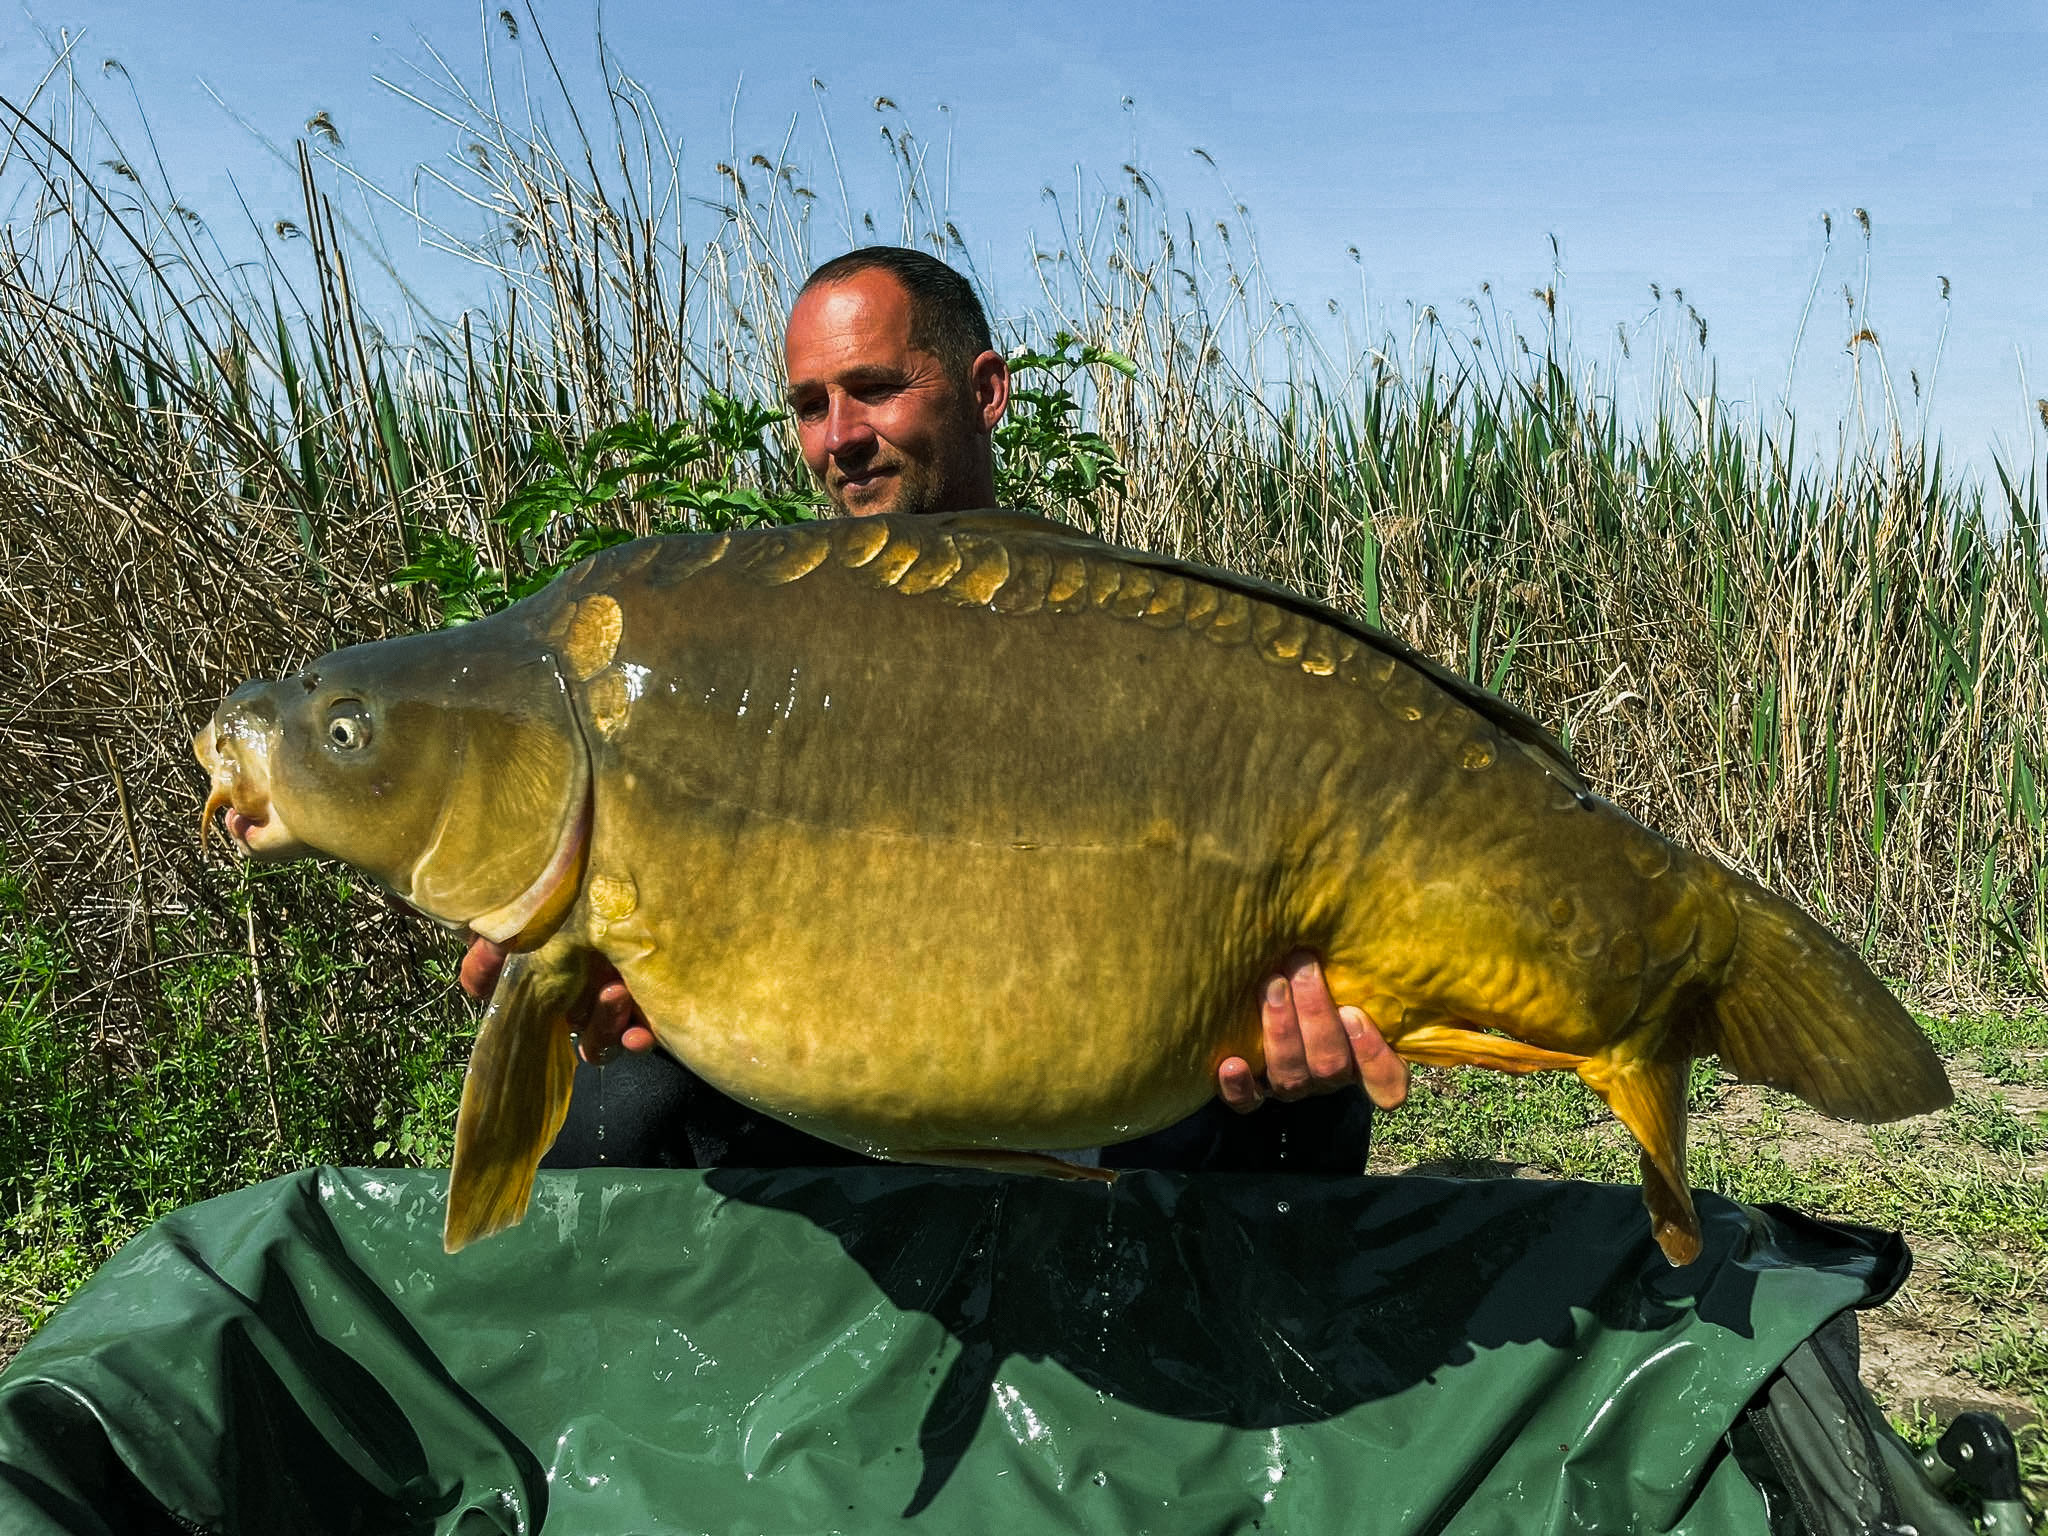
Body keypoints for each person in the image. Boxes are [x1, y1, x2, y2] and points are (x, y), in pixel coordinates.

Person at [460, 246, 1408, 1173]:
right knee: (616, 1100)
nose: (839, 438)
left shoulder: (1132, 637)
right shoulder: (762, 645)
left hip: (1121, 1077)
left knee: (1313, 1091)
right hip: (856, 1072)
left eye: (873, 388)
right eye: (808, 406)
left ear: (987, 391)